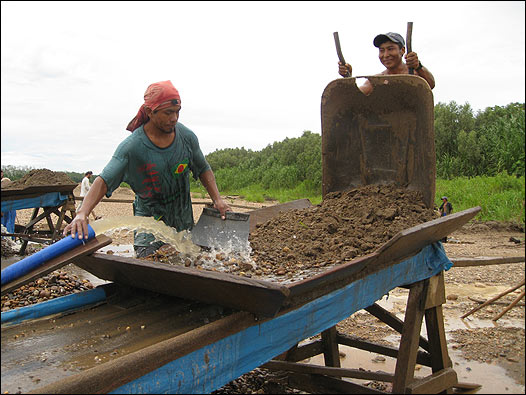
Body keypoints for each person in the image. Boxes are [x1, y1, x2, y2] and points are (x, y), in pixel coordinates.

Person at [63, 80, 231, 258]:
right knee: (150, 268)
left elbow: (203, 168)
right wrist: (82, 213)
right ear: (150, 112)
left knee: (190, 268)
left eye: (177, 112)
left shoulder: (187, 138)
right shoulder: (132, 147)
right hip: (149, 227)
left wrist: (217, 200)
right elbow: (103, 180)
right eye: (168, 113)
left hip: (183, 225)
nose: (174, 118)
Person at [338, 31, 435, 95]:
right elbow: (357, 96)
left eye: (390, 49)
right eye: (382, 50)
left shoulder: (414, 75)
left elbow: (431, 84)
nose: (386, 55)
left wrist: (418, 66)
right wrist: (348, 78)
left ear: (402, 50)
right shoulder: (377, 81)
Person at [1, 170, 17, 237]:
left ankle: (9, 237)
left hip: (9, 206)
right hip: (5, 206)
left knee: (9, 222)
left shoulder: (5, 181)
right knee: (5, 223)